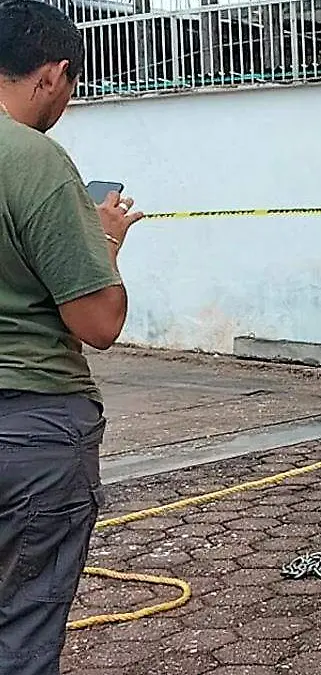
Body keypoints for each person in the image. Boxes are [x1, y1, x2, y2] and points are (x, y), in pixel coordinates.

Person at [0, 1, 143, 673]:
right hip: (29, 429)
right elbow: (97, 321)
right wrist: (104, 241)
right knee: (23, 630)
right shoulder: (35, 160)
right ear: (52, 75)